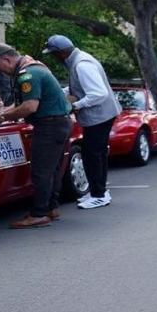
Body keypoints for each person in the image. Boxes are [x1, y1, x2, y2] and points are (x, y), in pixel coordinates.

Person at [0, 43, 71, 228]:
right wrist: (2, 111)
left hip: (49, 125)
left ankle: (39, 214)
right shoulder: (33, 68)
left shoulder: (27, 75)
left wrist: (2, 116)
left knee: (40, 171)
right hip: (58, 123)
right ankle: (50, 208)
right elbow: (22, 104)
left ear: (6, 59)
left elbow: (30, 107)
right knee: (52, 169)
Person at [42, 35, 122, 209]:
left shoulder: (81, 65)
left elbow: (99, 94)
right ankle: (98, 192)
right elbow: (78, 87)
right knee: (97, 154)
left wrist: (76, 105)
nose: (54, 58)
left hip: (98, 116)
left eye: (54, 54)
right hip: (102, 115)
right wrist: (60, 93)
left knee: (92, 155)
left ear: (62, 53)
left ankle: (99, 195)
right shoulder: (80, 60)